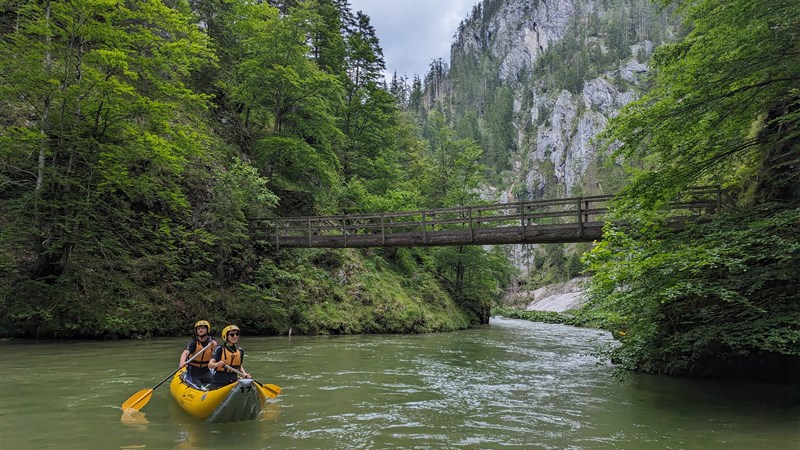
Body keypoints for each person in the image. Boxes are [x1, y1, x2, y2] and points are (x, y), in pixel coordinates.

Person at [208, 324, 251, 389]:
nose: (235, 336)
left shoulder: (240, 350)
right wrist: (217, 364)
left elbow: (239, 366)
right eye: (232, 335)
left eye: (236, 334)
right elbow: (210, 365)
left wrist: (244, 374)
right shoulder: (219, 348)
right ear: (226, 336)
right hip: (219, 382)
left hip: (233, 380)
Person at [179, 320, 218, 387]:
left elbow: (216, 357)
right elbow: (185, 353)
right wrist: (182, 361)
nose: (200, 330)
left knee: (216, 384)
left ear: (207, 329)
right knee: (198, 386)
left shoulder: (212, 343)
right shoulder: (193, 342)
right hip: (193, 372)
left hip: (206, 371)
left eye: (202, 328)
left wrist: (215, 347)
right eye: (198, 329)